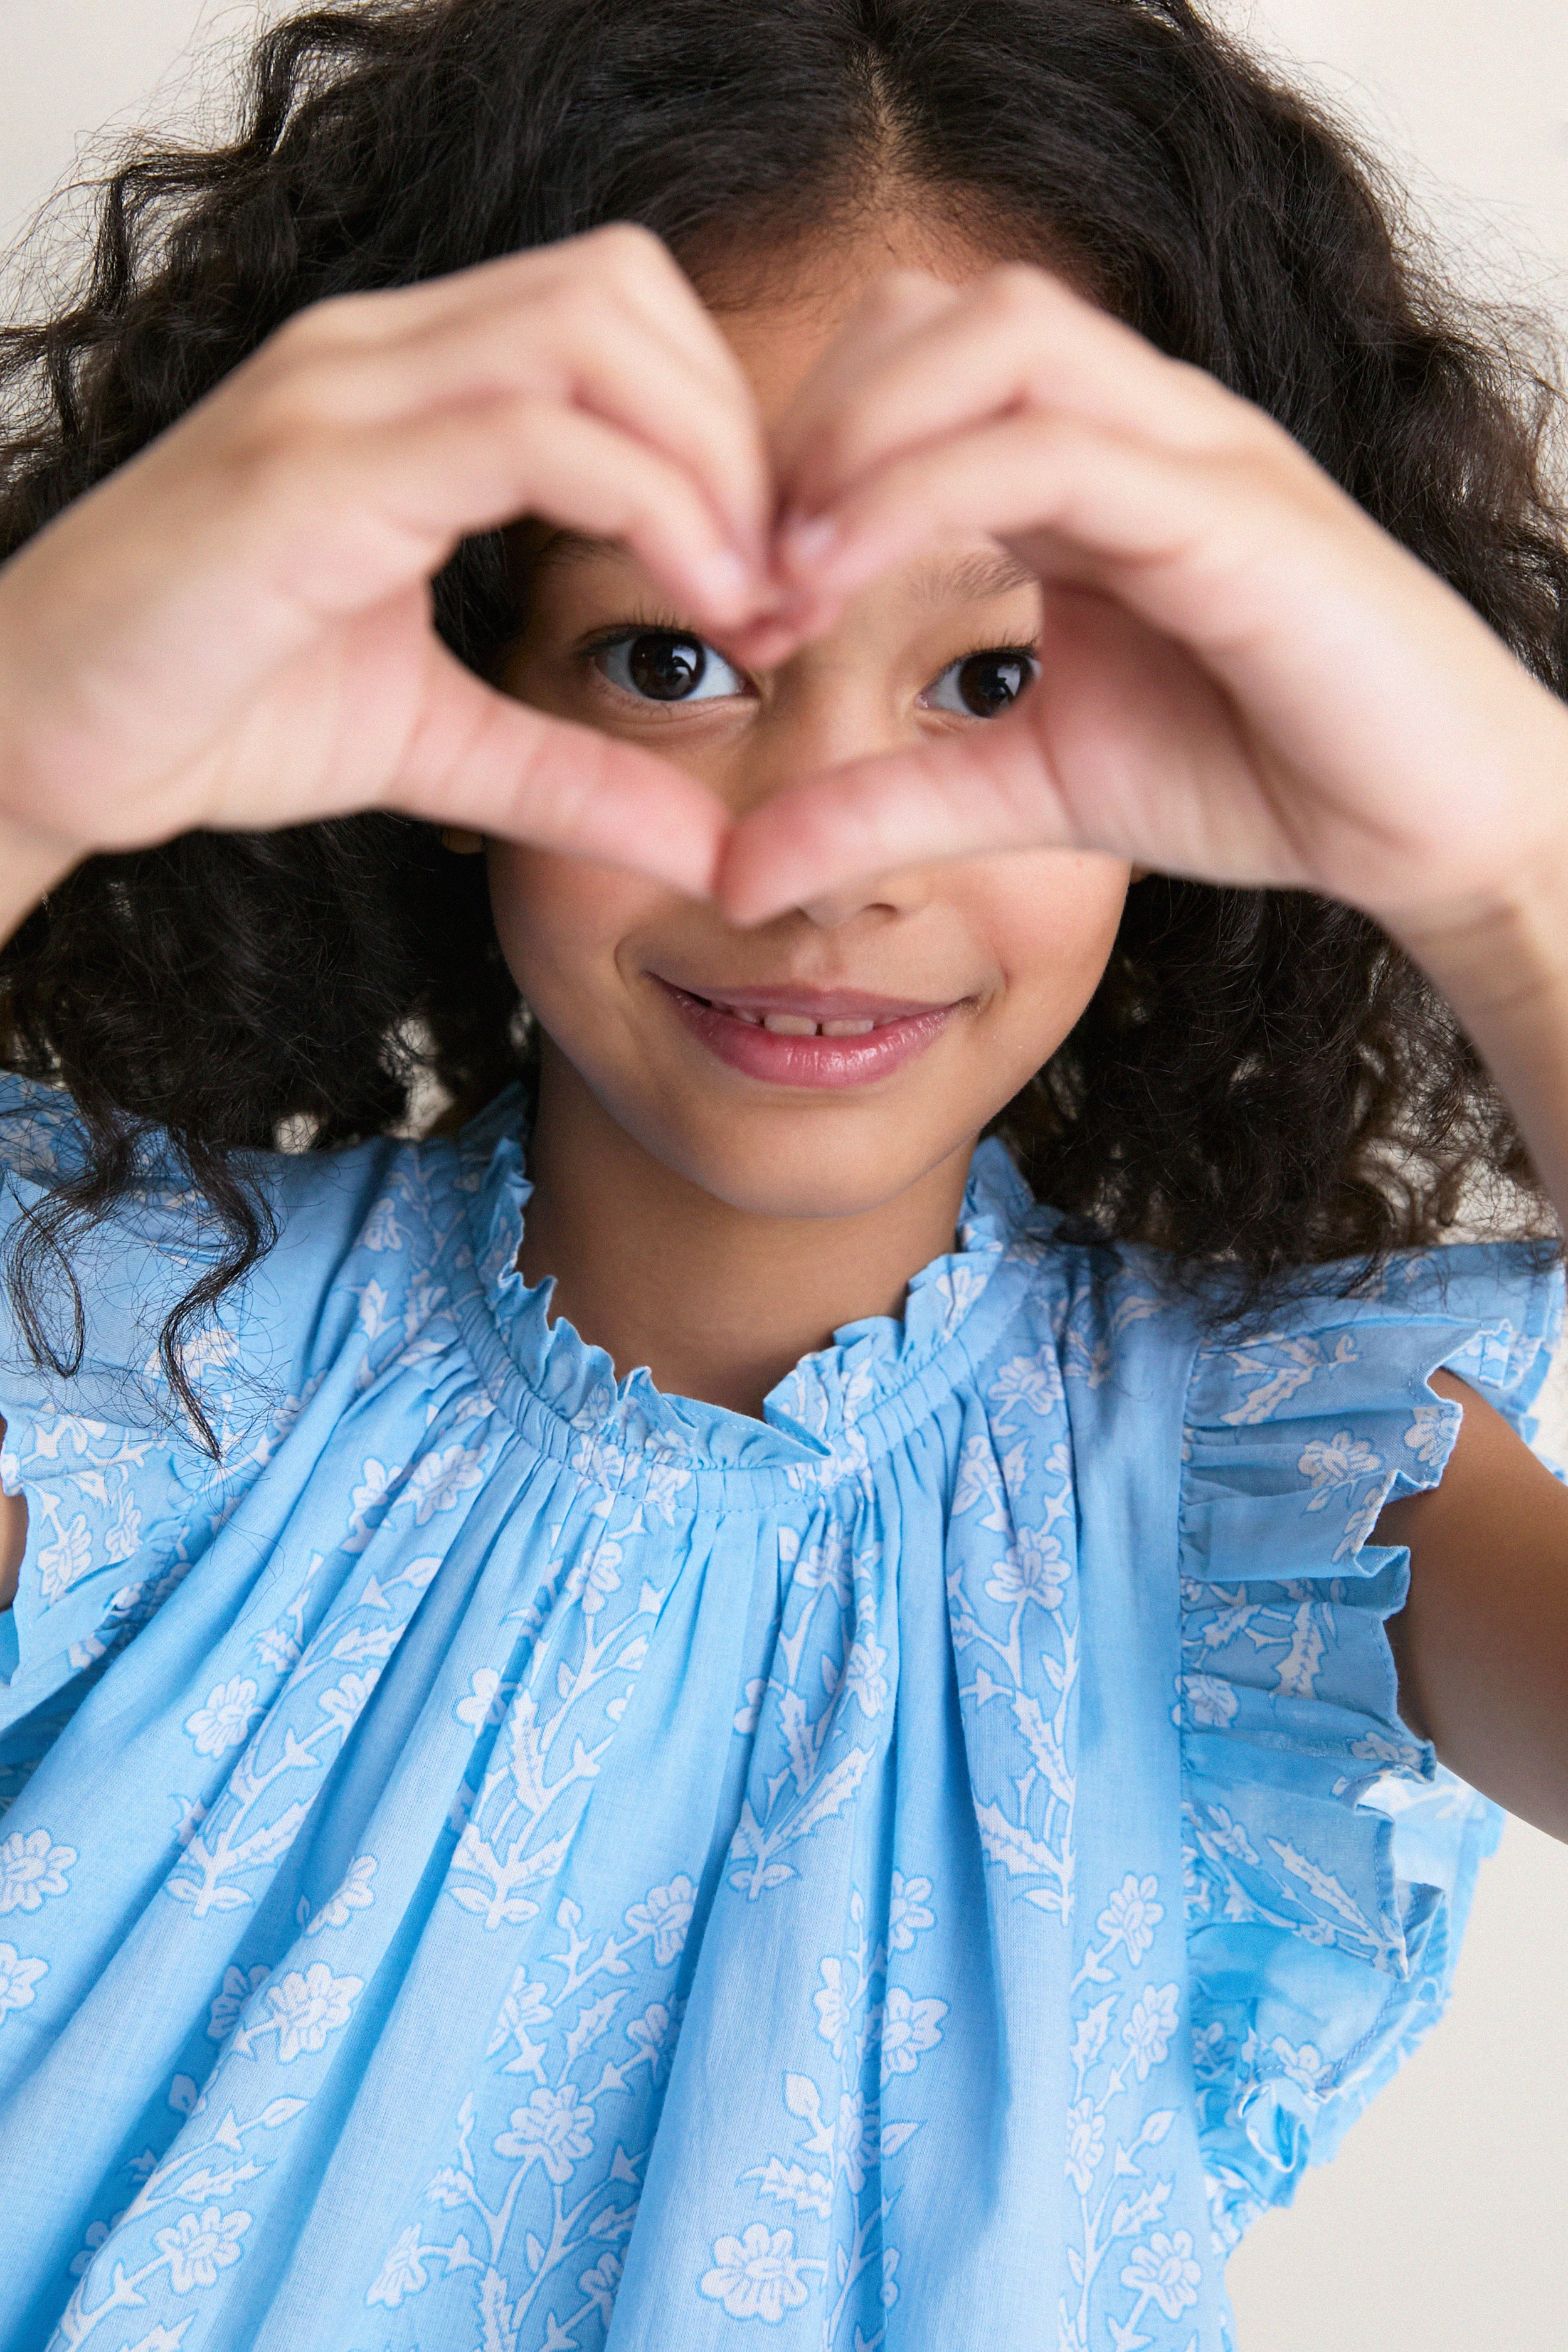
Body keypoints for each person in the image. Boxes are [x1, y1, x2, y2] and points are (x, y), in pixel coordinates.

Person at [1, 1, 1567, 2344]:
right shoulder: (144, 1372)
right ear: (447, 681)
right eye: (666, 658)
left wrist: (1512, 870)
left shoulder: (1283, 1495)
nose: (822, 864)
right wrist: (21, 741)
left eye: (992, 684)